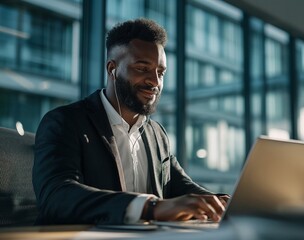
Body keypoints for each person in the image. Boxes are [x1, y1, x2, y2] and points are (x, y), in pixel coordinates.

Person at [32, 18, 229, 225]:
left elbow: (180, 186)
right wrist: (150, 207)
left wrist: (221, 204)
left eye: (160, 73)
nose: (155, 81)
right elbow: (56, 195)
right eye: (142, 69)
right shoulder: (65, 122)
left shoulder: (156, 133)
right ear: (112, 69)